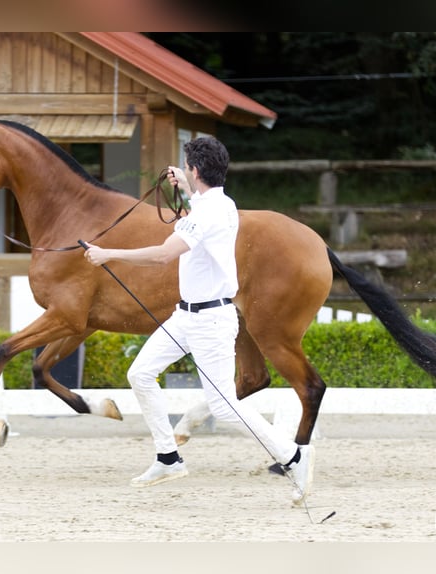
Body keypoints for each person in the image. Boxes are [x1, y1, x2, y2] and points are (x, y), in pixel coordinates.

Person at [83, 136, 314, 504]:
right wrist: (187, 184)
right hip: (185, 316)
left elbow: (163, 255)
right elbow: (200, 201)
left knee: (224, 406)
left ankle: (293, 455)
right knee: (140, 373)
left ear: (195, 170)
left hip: (210, 322)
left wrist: (107, 253)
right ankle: (168, 457)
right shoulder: (220, 202)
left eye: (187, 168)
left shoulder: (204, 214)